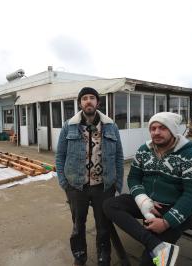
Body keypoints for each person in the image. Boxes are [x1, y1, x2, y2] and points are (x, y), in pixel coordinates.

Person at [103, 112, 192, 266]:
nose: (156, 132)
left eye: (162, 128)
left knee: (148, 262)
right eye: (153, 128)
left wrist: (166, 222)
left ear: (172, 131)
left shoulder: (190, 155)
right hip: (147, 202)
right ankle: (154, 244)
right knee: (109, 204)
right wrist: (143, 200)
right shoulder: (144, 150)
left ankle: (156, 248)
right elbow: (133, 178)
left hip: (173, 209)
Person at [55, 87, 124, 266]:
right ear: (80, 103)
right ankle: (80, 255)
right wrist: (64, 182)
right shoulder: (68, 126)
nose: (88, 101)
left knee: (104, 225)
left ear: (97, 103)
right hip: (77, 186)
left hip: (103, 186)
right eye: (84, 98)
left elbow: (118, 156)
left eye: (92, 98)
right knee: (78, 225)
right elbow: (60, 155)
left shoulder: (111, 126)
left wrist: (117, 184)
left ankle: (104, 257)